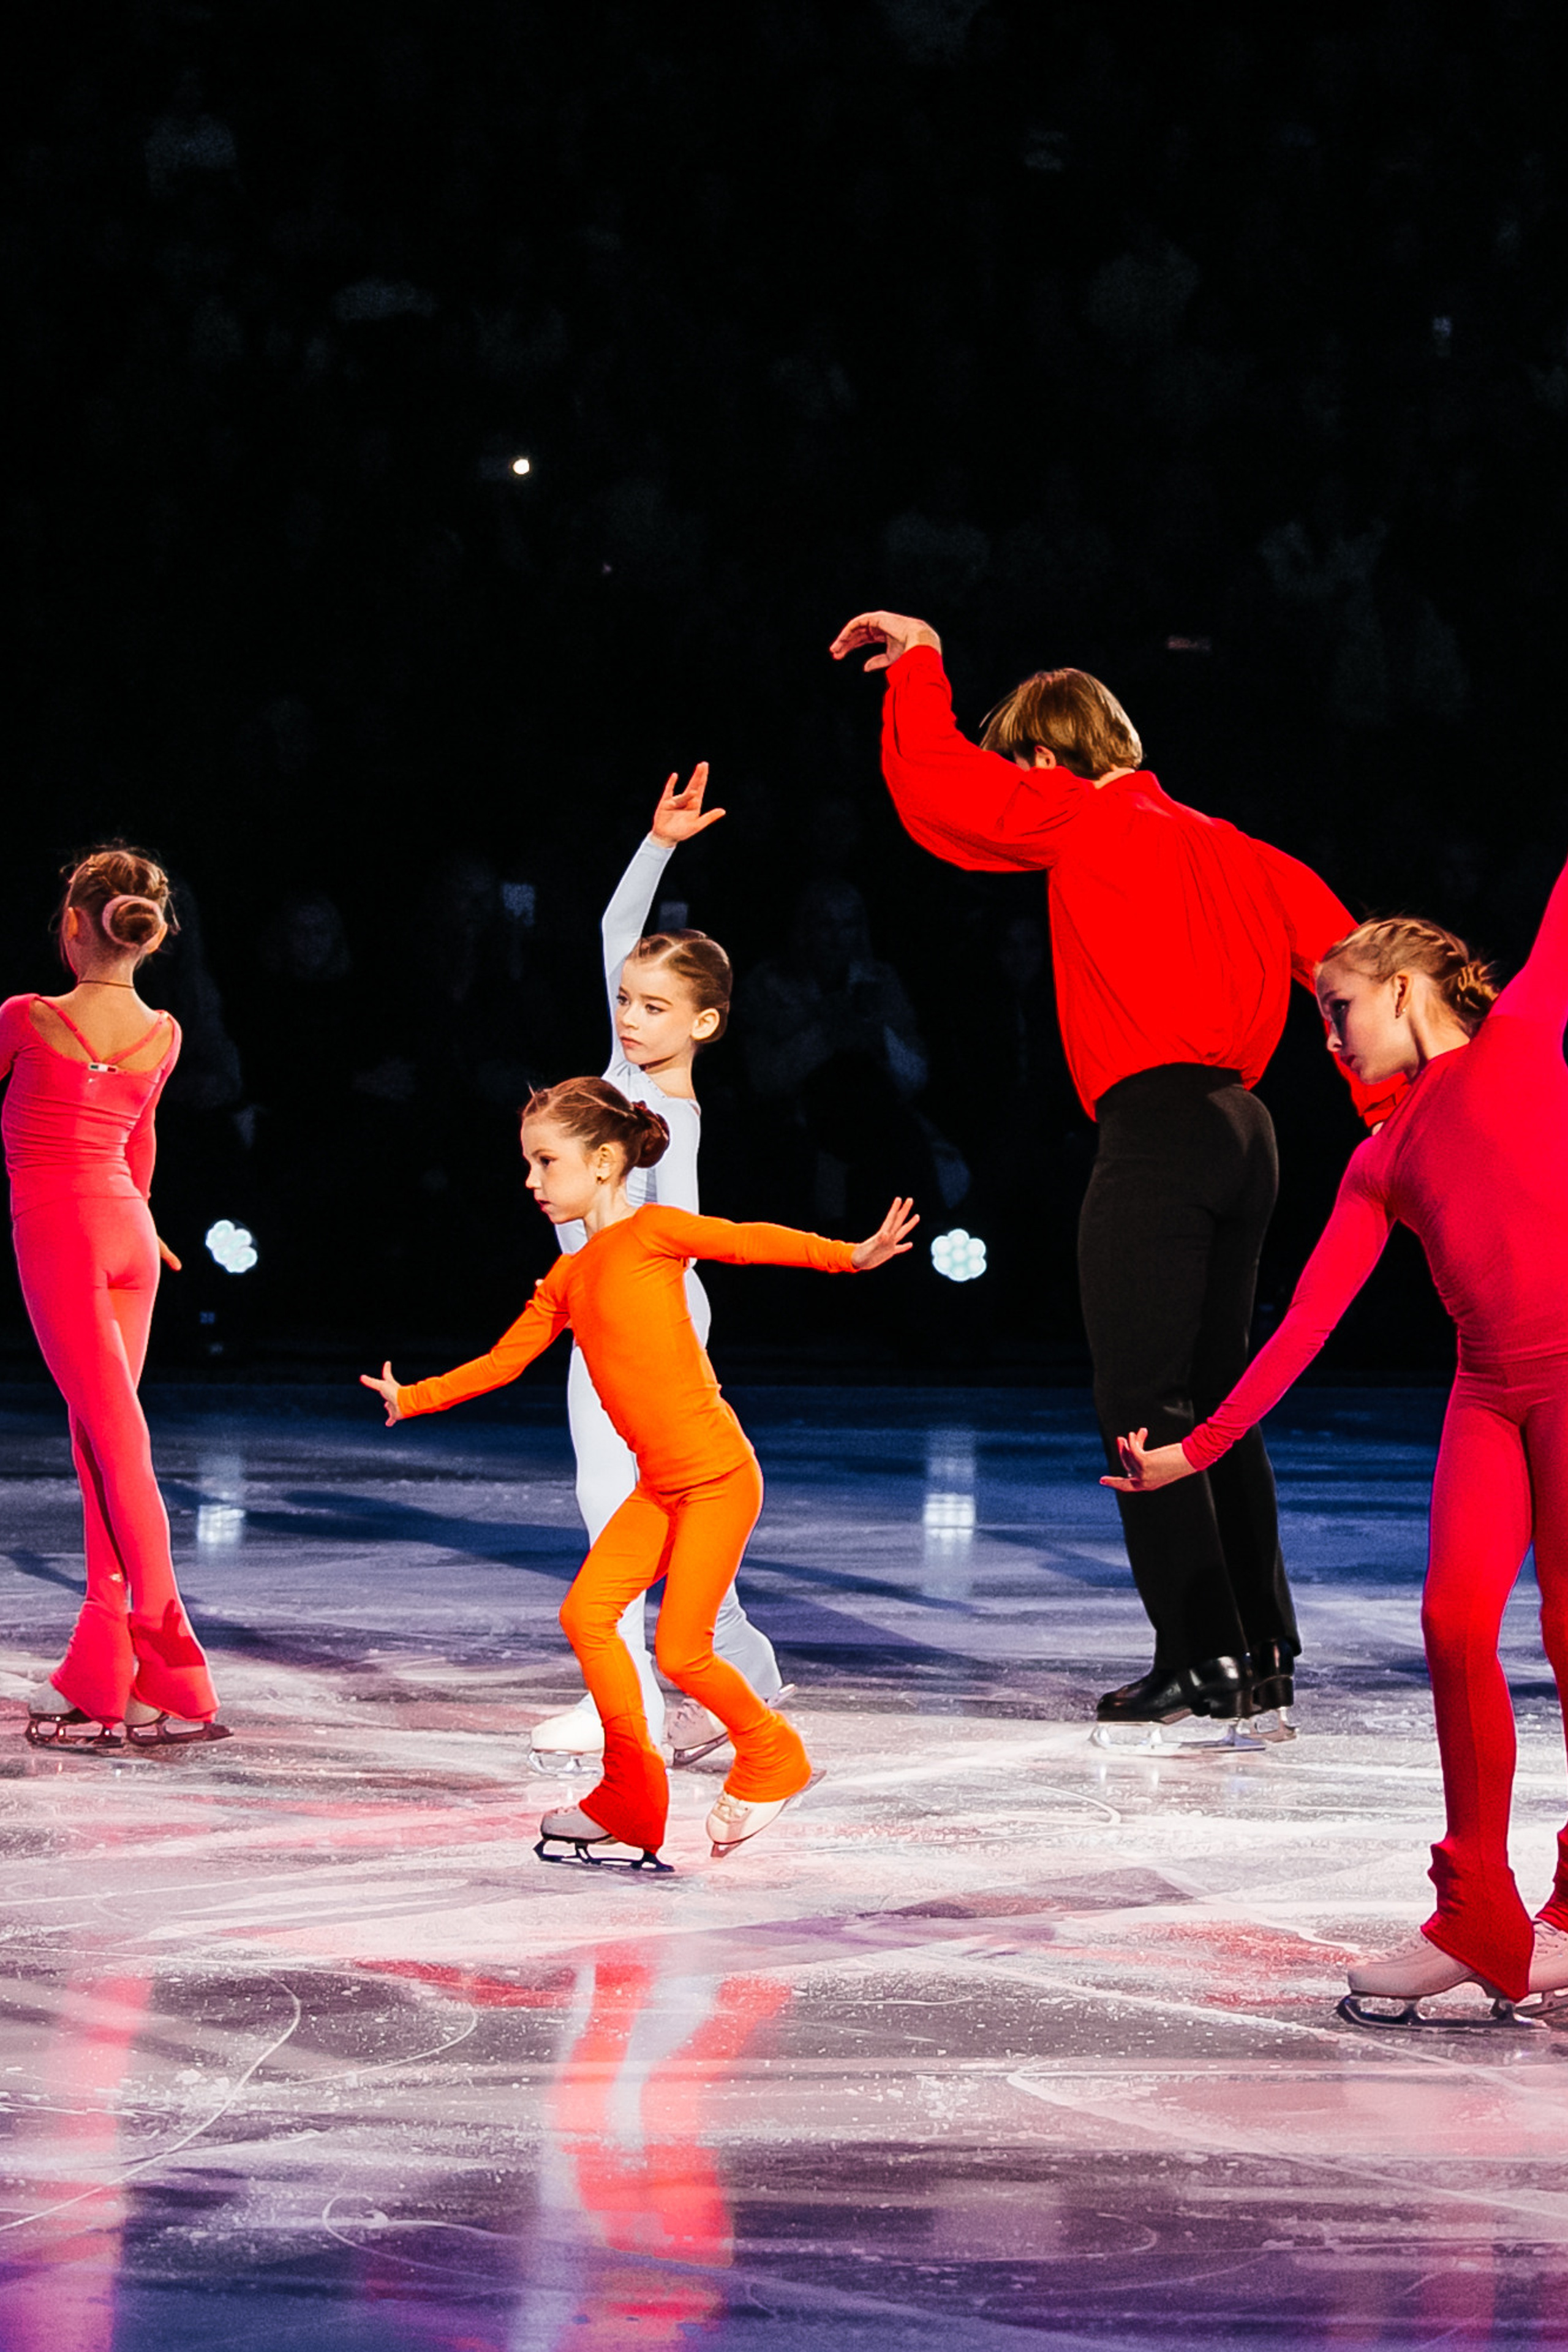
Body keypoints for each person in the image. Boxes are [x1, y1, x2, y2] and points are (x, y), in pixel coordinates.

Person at [830, 608, 1401, 1735]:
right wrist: (1395, 1114)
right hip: (1250, 1132)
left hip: (1157, 1130)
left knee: (1144, 1404)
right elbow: (1359, 983)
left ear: (1047, 759)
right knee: (1220, 1400)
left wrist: (926, 661)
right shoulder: (1241, 848)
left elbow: (939, 791)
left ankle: (1198, 1654)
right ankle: (1261, 1648)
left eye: (1025, 762)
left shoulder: (1079, 818)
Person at [1103, 881, 1568, 2011]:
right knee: (1454, 1623)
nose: (1329, 1035)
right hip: (1487, 1398)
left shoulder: (1516, 1041)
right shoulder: (1383, 1155)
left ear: (1405, 991)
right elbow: (1304, 1324)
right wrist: (1197, 1451)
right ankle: (1478, 1916)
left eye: (1339, 1007)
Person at [362, 1077, 916, 1863]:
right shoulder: (565, 1280)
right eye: (527, 1163)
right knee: (587, 1614)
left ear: (603, 1162)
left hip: (718, 1478)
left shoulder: (653, 1232)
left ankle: (774, 1754)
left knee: (683, 1652)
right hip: (662, 1488)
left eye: (545, 1162)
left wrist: (849, 1257)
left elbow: (746, 1238)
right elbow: (501, 1362)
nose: (530, 1181)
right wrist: (413, 1396)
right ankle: (630, 1791)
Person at [527, 766, 790, 1775]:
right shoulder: (621, 1081)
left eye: (655, 1006)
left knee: (617, 1504)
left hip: (649, 1321)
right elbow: (610, 938)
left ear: (705, 1025)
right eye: (628, 1003)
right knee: (668, 1508)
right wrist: (658, 847)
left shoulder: (661, 1113)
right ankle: (747, 1675)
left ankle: (627, 1703)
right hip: (623, 1316)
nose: (631, 1016)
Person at [0, 847, 227, 1751]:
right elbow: (139, 1145)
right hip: (127, 1230)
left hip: (60, 1234)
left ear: (72, 925)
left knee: (116, 1447)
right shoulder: (164, 1031)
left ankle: (172, 1676)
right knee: (101, 1441)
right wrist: (142, 1222)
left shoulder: (26, 1016)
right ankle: (102, 1670)